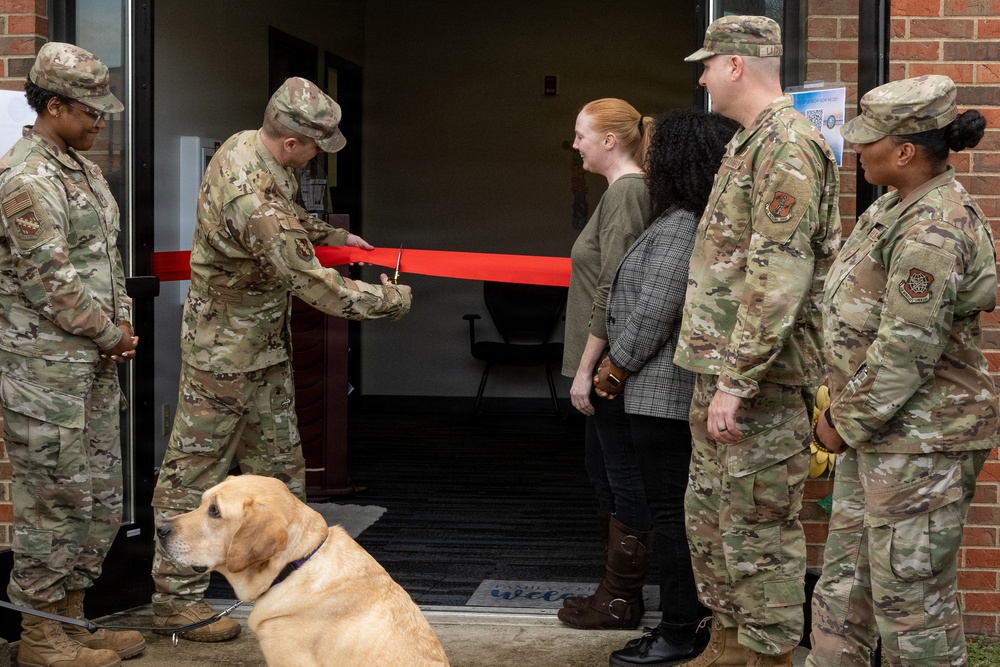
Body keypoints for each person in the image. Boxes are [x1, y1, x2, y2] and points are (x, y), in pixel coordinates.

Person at [150, 76, 412, 641]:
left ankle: (290, 592)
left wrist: (333, 236)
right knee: (195, 473)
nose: (317, 156)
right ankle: (176, 601)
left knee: (280, 479)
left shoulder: (256, 151)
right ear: (291, 140)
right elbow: (307, 280)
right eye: (315, 146)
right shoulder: (249, 193)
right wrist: (387, 301)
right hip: (222, 358)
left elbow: (288, 221)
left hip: (263, 349)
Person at [807, 75, 997, 667]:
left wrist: (841, 422)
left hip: (921, 445)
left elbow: (907, 350)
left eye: (869, 139)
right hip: (881, 437)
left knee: (913, 610)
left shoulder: (933, 230)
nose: (857, 148)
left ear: (905, 150)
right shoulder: (894, 207)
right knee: (845, 590)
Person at [672, 16, 841, 667]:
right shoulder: (749, 142)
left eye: (707, 65)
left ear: (735, 64)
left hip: (759, 383)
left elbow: (778, 277)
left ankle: (766, 656)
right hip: (723, 374)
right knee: (712, 518)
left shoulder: (787, 145)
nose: (702, 78)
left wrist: (737, 381)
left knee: (757, 530)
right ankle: (728, 643)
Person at [0, 42, 145, 667]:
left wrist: (123, 321)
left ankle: (72, 620)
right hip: (44, 378)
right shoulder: (27, 179)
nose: (100, 122)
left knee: (100, 502)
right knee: (55, 505)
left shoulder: (82, 170)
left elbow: (106, 261)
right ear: (54, 106)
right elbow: (52, 283)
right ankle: (38, 636)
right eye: (90, 111)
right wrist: (111, 335)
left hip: (90, 370)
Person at [593, 109, 739, 666]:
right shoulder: (681, 217)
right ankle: (684, 625)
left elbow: (656, 308)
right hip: (660, 393)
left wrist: (616, 367)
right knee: (675, 513)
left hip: (662, 395)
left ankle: (680, 630)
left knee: (674, 518)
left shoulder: (682, 224)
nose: (648, 160)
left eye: (656, 152)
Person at [557, 98, 655, 630]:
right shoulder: (622, 192)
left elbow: (614, 289)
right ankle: (613, 593)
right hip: (603, 365)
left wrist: (586, 369)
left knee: (622, 478)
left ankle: (621, 599)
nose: (576, 145)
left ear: (610, 141)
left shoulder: (627, 192)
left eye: (581, 136)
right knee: (604, 474)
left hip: (607, 369)